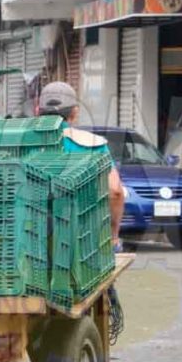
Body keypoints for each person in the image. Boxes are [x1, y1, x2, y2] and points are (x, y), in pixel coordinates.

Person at [37, 81, 125, 249]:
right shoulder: (92, 144)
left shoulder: (16, 142)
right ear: (75, 113)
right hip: (83, 243)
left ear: (37, 111)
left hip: (30, 243)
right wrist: (113, 237)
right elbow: (115, 192)